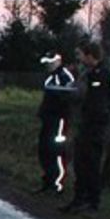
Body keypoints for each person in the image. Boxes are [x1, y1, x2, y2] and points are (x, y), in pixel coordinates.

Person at [62, 42, 110, 213]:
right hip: (86, 124)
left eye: (82, 55)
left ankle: (91, 200)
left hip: (94, 126)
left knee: (90, 163)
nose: (80, 59)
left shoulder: (102, 74)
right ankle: (80, 198)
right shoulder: (90, 73)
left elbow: (97, 100)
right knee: (80, 163)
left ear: (90, 55)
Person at [35, 52, 76, 194]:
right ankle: (48, 181)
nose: (48, 65)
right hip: (48, 119)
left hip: (58, 121)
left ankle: (57, 184)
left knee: (56, 152)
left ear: (58, 61)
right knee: (44, 151)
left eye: (51, 62)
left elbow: (67, 100)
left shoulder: (64, 77)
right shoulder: (51, 77)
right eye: (47, 62)